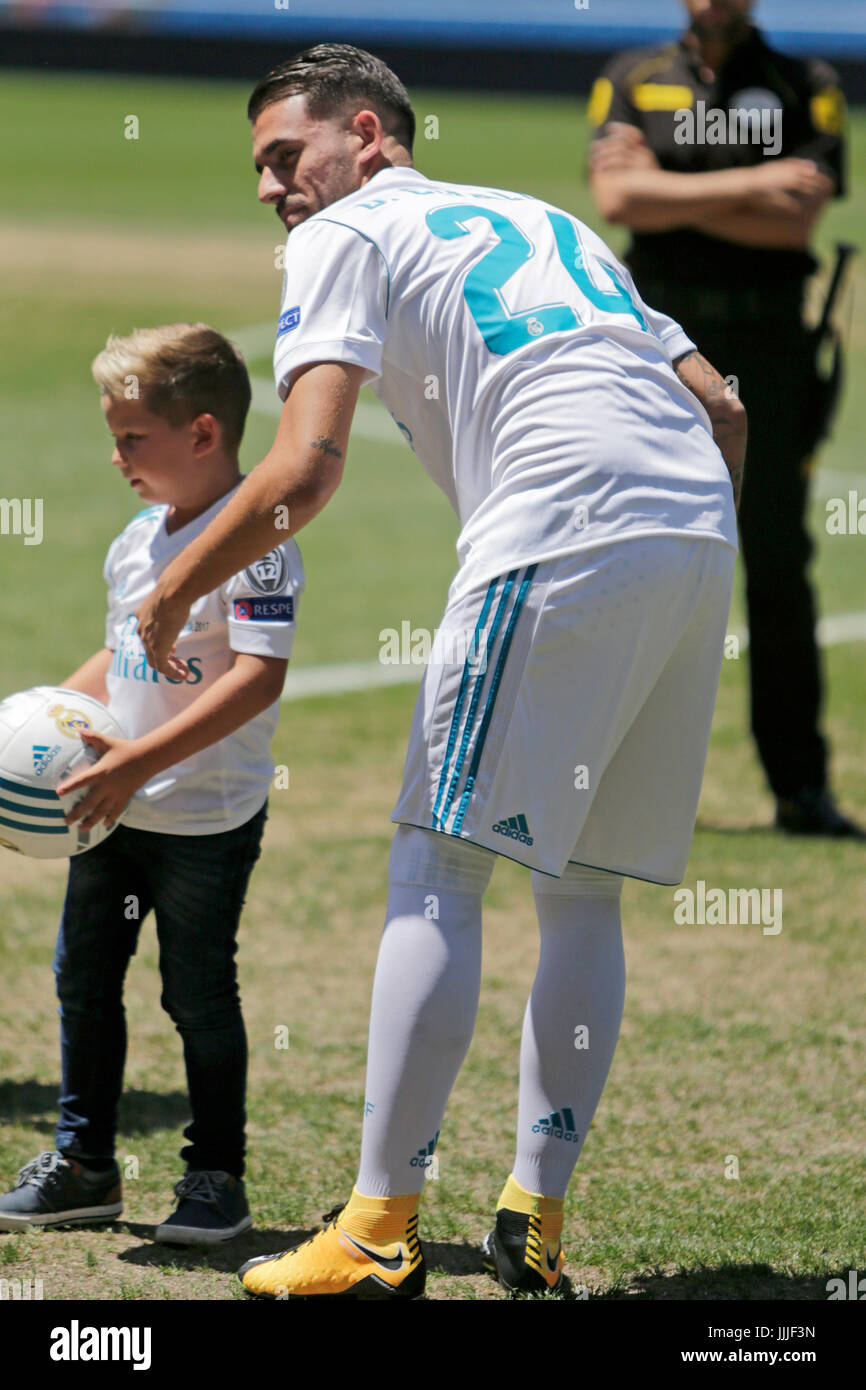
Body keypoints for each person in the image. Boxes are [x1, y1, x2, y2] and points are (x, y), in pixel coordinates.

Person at [134, 44, 745, 1299]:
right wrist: (657, 543)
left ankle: (374, 1227)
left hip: (557, 531)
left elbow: (307, 465)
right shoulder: (547, 218)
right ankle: (535, 1215)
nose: (269, 188)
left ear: (367, 134)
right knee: (580, 889)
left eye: (281, 156)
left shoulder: (346, 229)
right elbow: (721, 409)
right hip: (692, 534)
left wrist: (177, 582)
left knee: (435, 863)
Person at [0, 324, 304, 1245]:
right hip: (109, 809)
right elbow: (121, 651)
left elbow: (259, 676)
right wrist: (36, 720)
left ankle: (216, 1178)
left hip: (204, 819)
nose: (117, 455)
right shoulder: (138, 539)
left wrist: (136, 764)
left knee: (198, 995)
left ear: (202, 434)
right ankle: (85, 1165)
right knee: (83, 980)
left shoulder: (258, 540)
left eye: (134, 437)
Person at [587, 0, 862, 839]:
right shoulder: (631, 77)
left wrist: (667, 191)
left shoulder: (807, 86)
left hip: (771, 347)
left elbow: (800, 219)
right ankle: (601, 782)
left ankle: (801, 791)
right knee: (632, 555)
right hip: (660, 344)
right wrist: (752, 181)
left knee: (777, 566)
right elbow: (616, 198)